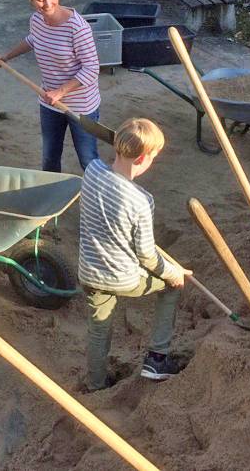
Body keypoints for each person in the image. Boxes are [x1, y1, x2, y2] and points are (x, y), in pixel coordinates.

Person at [77, 118, 191, 390]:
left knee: (99, 328)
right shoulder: (141, 201)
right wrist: (174, 272)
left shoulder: (92, 170)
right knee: (171, 287)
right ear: (141, 158)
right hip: (121, 277)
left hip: (89, 271)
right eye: (153, 156)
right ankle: (157, 360)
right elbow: (147, 256)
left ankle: (95, 383)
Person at [0, 0, 101, 173]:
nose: (48, 4)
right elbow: (33, 39)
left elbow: (92, 68)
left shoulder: (78, 28)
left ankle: (102, 191)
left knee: (88, 160)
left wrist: (61, 91)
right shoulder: (37, 20)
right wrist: (7, 57)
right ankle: (51, 190)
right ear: (32, 0)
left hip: (81, 106)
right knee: (50, 158)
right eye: (41, 0)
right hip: (49, 103)